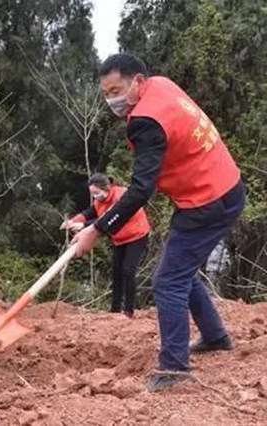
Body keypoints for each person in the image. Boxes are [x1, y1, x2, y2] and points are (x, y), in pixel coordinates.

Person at [71, 54, 244, 392]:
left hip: (207, 200)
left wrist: (97, 229)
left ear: (137, 81)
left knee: (168, 280)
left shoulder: (146, 121)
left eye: (116, 90)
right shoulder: (160, 85)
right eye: (106, 94)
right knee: (180, 270)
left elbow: (140, 190)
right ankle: (215, 337)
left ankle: (174, 370)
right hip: (223, 187)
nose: (112, 100)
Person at [61, 173, 150, 317]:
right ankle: (114, 311)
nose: (95, 197)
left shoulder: (121, 196)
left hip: (137, 236)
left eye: (96, 193)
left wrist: (83, 225)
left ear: (106, 188)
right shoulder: (99, 202)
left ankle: (129, 310)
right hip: (119, 239)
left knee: (128, 271)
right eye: (92, 194)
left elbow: (107, 217)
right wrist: (73, 221)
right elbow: (91, 212)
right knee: (116, 273)